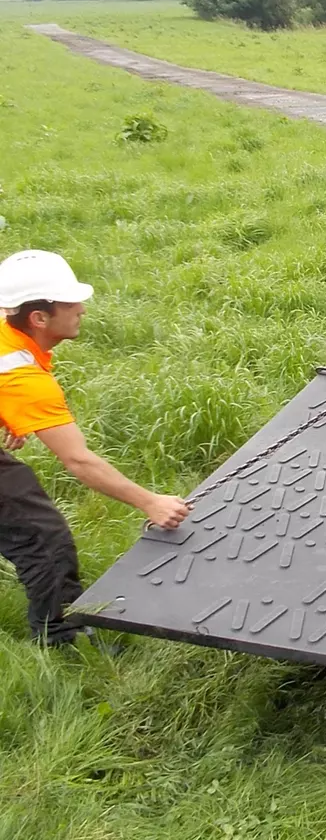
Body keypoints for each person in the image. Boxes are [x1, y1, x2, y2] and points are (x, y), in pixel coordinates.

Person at [0, 250, 190, 646]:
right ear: (39, 317)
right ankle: (61, 639)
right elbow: (79, 460)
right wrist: (149, 502)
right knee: (42, 537)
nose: (82, 309)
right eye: (71, 304)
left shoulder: (8, 334)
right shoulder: (21, 378)